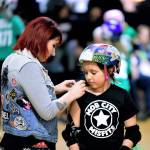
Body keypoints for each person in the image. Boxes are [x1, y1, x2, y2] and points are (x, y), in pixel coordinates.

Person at [0, 16, 86, 150]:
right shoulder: (29, 66)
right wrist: (71, 95)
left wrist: (55, 89)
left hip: (12, 138)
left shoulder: (11, 58)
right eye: (53, 45)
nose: (54, 53)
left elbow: (20, 94)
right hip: (33, 142)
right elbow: (47, 112)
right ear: (41, 39)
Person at [62, 43, 141, 150]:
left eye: (93, 72)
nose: (88, 77)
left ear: (110, 70)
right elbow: (71, 134)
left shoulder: (122, 95)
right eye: (86, 72)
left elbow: (133, 132)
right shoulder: (80, 94)